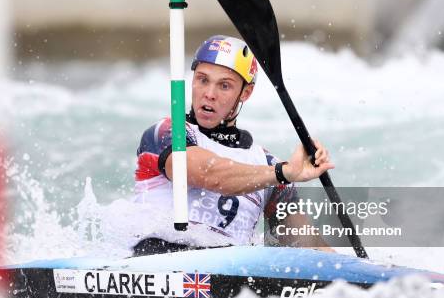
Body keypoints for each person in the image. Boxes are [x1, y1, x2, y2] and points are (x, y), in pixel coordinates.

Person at [132, 35, 334, 256]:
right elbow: (208, 173)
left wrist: (362, 275)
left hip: (229, 274)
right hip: (154, 260)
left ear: (245, 93)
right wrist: (283, 172)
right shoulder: (168, 133)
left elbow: (309, 247)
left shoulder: (266, 163)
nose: (209, 94)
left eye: (224, 85)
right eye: (202, 80)